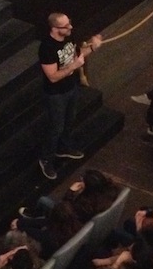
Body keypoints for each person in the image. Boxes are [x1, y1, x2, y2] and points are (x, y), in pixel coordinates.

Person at [37, 11, 103, 180]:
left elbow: (76, 54)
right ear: (55, 29)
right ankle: (46, 158)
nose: (70, 27)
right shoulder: (47, 48)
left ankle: (63, 148)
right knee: (56, 127)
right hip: (55, 94)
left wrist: (92, 47)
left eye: (69, 23)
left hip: (70, 87)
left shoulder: (68, 37)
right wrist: (74, 66)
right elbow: (52, 77)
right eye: (66, 26)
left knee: (69, 120)